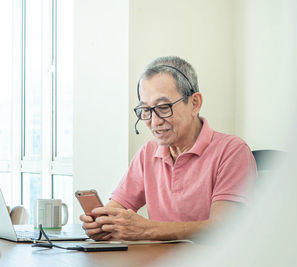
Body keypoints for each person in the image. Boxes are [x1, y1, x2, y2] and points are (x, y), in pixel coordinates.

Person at [80, 56, 257, 241]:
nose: (154, 122)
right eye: (145, 110)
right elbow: (115, 209)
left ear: (195, 103)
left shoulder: (232, 151)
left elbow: (225, 227)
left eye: (164, 107)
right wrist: (102, 224)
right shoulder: (148, 152)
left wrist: (147, 229)